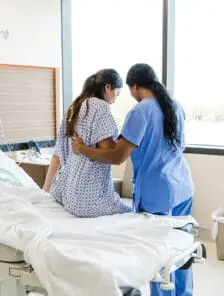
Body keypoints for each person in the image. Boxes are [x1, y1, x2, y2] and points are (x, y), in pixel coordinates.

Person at [72, 63, 194, 296]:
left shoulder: (141, 111)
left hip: (158, 193)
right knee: (182, 250)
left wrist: (82, 149)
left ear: (135, 87)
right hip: (183, 187)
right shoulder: (175, 106)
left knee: (158, 255)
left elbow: (117, 156)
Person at [43, 69, 132, 217]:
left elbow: (58, 155)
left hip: (67, 194)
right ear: (107, 87)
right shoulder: (100, 107)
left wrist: (45, 192)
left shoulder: (74, 107)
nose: (115, 99)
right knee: (132, 213)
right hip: (87, 198)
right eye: (117, 93)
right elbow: (110, 152)